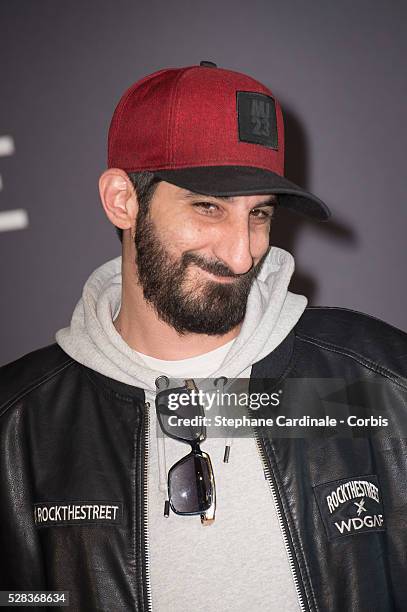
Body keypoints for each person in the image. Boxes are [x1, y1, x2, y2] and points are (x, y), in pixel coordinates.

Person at [1, 61, 406, 612]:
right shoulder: (19, 426)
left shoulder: (378, 377)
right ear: (123, 199)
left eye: (259, 214)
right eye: (208, 207)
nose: (242, 254)